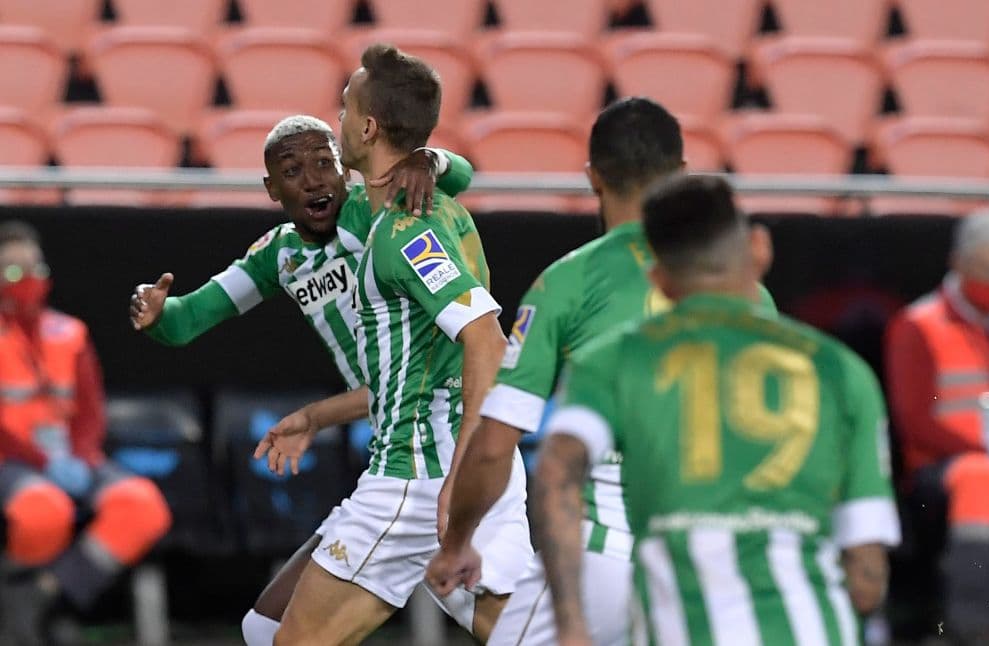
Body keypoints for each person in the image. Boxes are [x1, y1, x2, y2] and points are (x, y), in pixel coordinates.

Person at [425, 98, 776, 644]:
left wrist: (458, 541)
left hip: (605, 558)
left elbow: (495, 445)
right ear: (682, 176)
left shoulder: (567, 283)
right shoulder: (752, 296)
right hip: (716, 562)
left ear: (593, 177)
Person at [128, 114, 476, 645]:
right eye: (293, 170)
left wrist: (433, 159)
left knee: (516, 626)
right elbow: (191, 317)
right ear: (272, 188)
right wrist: (159, 316)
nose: (313, 179)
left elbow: (458, 178)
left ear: (345, 171)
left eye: (323, 163)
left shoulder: (377, 215)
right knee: (265, 628)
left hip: (434, 447)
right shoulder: (280, 255)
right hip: (398, 444)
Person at [538, 174, 901, 645]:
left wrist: (571, 622)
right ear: (760, 248)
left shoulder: (611, 361)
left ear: (660, 282)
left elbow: (554, 476)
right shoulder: (842, 370)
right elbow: (867, 578)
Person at [271, 42, 532, 646]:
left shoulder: (405, 234)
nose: (335, 123)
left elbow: (486, 341)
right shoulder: (428, 208)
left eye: (343, 109)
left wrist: (463, 472)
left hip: (416, 473)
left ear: (366, 125)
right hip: (456, 460)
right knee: (523, 633)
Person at [0, 221, 171, 645]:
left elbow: (90, 412)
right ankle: (30, 622)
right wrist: (42, 462)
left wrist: (80, 456)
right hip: (11, 461)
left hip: (71, 458)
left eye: (35, 271)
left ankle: (46, 597)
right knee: (44, 511)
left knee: (143, 507)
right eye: (14, 273)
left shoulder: (70, 333)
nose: (28, 282)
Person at [885, 211, 989, 646]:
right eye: (986, 271)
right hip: (945, 470)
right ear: (958, 263)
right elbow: (915, 420)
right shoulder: (918, 325)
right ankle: (971, 630)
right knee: (985, 481)